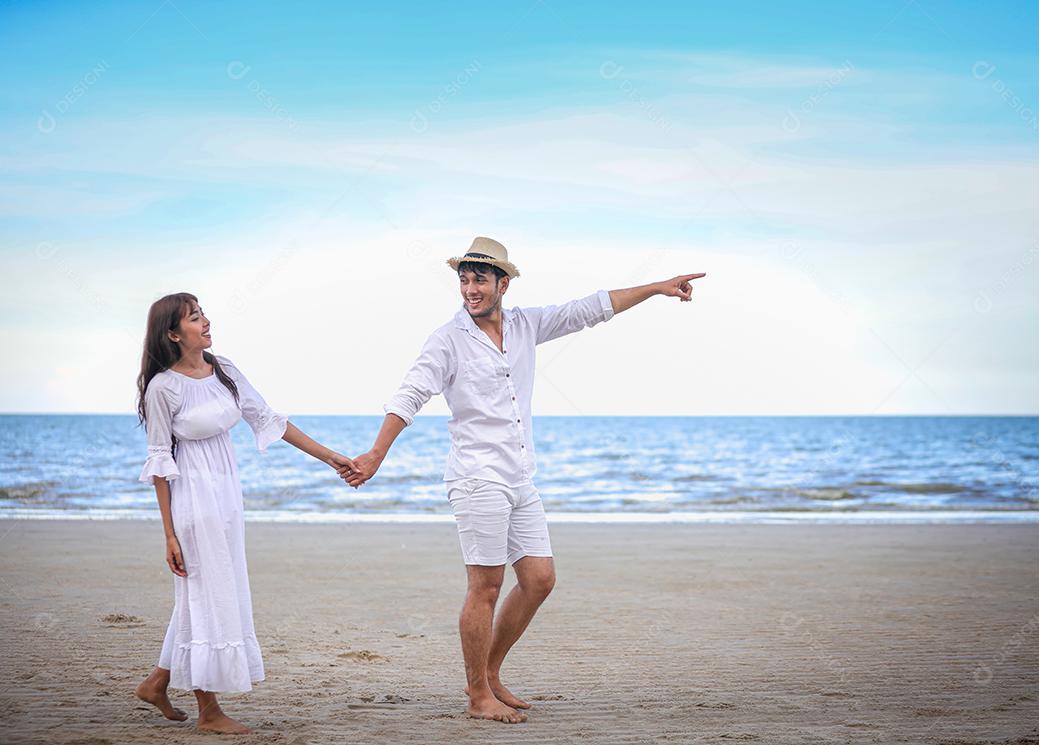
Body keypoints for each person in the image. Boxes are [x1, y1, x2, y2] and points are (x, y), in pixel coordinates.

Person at [337, 237, 704, 723]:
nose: (470, 289)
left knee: (538, 579)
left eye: (480, 280)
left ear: (502, 283)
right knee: (485, 587)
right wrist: (376, 453)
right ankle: (476, 696)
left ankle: (490, 674)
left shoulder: (525, 324)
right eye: (464, 280)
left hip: (520, 477)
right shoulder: (447, 339)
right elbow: (410, 395)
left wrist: (657, 287)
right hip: (476, 478)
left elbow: (590, 308)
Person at [134, 292, 355, 735]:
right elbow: (160, 464)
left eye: (203, 314)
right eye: (195, 318)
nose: (206, 322)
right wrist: (170, 535)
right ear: (174, 334)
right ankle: (208, 712)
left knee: (210, 588)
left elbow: (269, 418)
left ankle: (157, 683)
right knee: (205, 595)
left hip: (227, 496)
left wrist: (329, 456)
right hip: (192, 500)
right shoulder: (163, 388)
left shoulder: (225, 370)